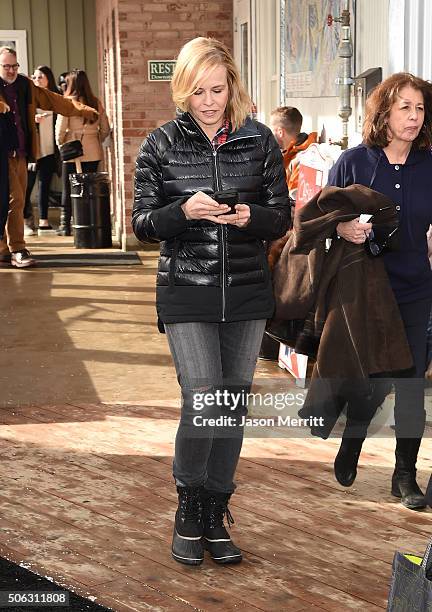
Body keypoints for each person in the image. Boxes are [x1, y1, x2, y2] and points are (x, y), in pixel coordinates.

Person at [132, 37, 290, 566]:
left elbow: (281, 216)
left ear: (232, 87)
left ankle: (215, 508)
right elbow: (142, 225)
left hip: (246, 293)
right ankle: (189, 505)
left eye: (217, 89)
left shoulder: (261, 141)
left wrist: (251, 219)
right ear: (182, 88)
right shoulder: (160, 144)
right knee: (203, 397)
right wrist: (184, 212)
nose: (208, 101)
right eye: (197, 91)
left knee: (232, 404)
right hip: (186, 291)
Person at [327, 72, 432, 510]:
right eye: (404, 107)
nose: (413, 116)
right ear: (384, 112)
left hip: (415, 287)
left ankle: (404, 474)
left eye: (420, 108)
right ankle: (353, 437)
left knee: (409, 383)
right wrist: (341, 225)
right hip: (364, 289)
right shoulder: (354, 162)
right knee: (371, 378)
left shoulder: (431, 164)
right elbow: (316, 216)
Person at [0, 46, 97, 268]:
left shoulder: (25, 86)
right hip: (2, 153)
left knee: (17, 200)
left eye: (15, 66)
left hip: (21, 153)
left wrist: (82, 109)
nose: (12, 70)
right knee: (13, 200)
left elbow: (54, 100)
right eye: (6, 66)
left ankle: (4, 249)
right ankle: (17, 249)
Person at [55, 69, 110, 236]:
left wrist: (63, 145)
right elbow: (105, 129)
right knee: (90, 189)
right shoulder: (96, 102)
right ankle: (89, 220)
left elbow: (60, 131)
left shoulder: (68, 103)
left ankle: (66, 226)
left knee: (69, 188)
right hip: (93, 151)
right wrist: (95, 140)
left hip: (72, 152)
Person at [23, 66, 62, 235]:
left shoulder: (53, 98)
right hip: (32, 151)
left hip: (48, 150)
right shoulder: (28, 97)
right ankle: (26, 222)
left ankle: (44, 222)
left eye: (41, 77)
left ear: (48, 79)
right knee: (26, 187)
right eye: (35, 77)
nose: (37, 79)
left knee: (44, 186)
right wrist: (33, 118)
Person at [269, 106, 317, 200]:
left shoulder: (304, 160)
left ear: (280, 132)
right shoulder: (290, 154)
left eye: (271, 131)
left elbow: (296, 199)